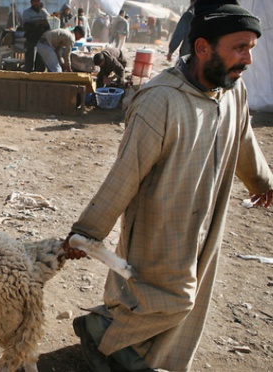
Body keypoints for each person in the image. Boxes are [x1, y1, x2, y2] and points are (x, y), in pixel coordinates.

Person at [65, 1, 272, 371]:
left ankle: (138, 357)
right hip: (160, 223)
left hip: (206, 219)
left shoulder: (232, 91)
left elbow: (243, 140)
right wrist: (86, 233)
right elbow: (124, 175)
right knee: (172, 299)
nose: (248, 61)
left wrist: (261, 180)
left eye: (252, 49)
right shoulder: (160, 101)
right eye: (239, 48)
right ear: (203, 47)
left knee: (181, 300)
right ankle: (100, 331)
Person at [22, 0, 49, 72]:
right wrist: (37, 23)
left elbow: (48, 24)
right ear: (31, 2)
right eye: (34, 1)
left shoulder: (43, 12)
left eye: (37, 1)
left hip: (41, 37)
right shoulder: (27, 12)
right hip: (31, 37)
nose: (36, 3)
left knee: (40, 56)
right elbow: (26, 26)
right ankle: (28, 73)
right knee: (30, 56)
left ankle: (39, 73)